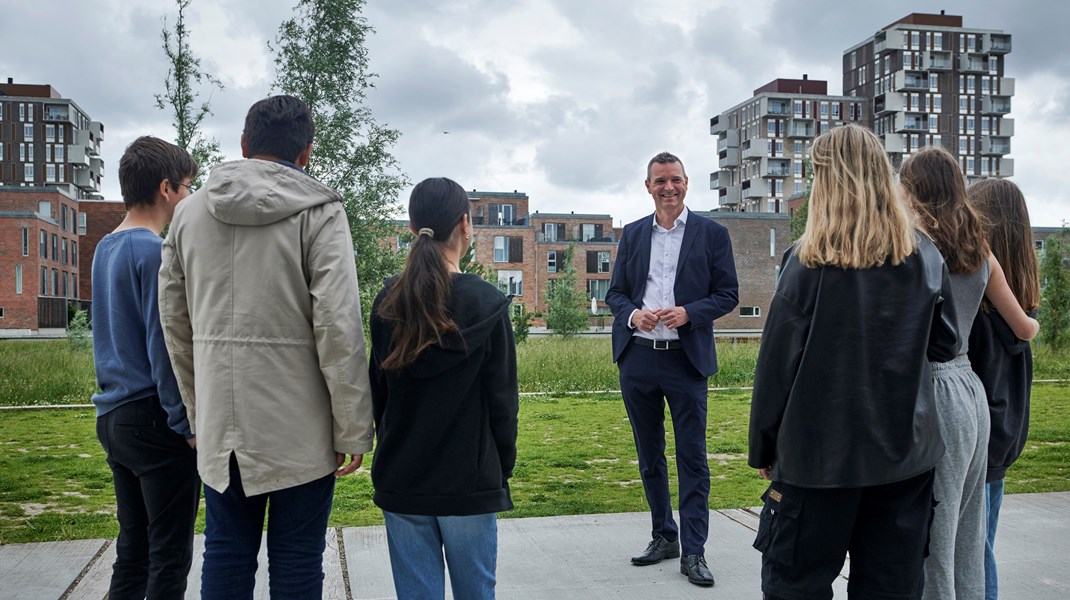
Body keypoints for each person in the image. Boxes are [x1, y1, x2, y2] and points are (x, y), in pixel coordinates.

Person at [158, 95, 373, 599]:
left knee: (227, 553)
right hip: (301, 431)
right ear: (306, 154)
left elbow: (175, 326)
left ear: (244, 144)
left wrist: (197, 413)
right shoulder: (319, 211)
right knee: (298, 560)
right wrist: (352, 427)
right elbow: (338, 325)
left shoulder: (187, 215)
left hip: (222, 429)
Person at [748, 124, 960, 600]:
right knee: (892, 588)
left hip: (815, 462)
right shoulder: (924, 256)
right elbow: (946, 346)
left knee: (795, 585)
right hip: (903, 456)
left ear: (826, 181)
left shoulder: (805, 262)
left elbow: (776, 367)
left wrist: (763, 447)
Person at [368, 177, 518, 599]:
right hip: (470, 479)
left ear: (414, 229)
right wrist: (500, 467)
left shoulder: (387, 303)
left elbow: (378, 392)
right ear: (465, 225)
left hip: (403, 475)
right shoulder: (488, 302)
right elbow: (503, 400)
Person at [899, 147, 1039, 600]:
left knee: (934, 536)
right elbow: (1025, 327)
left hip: (931, 390)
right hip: (970, 393)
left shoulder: (911, 250)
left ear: (914, 191)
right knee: (968, 535)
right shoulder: (981, 251)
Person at [606, 151, 739, 587]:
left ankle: (695, 551)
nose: (668, 187)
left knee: (693, 459)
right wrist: (632, 315)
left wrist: (689, 313)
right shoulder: (632, 234)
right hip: (638, 358)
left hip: (686, 360)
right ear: (648, 186)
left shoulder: (712, 234)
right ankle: (664, 536)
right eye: (660, 180)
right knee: (649, 458)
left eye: (675, 179)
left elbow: (727, 294)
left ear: (687, 183)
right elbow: (616, 294)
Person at [91, 135, 200, 599]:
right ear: (166, 188)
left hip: (113, 417)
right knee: (168, 556)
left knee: (132, 551)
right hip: (155, 420)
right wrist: (186, 422)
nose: (190, 197)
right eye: (189, 186)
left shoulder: (105, 247)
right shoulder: (153, 252)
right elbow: (165, 348)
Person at [967, 179, 1040, 600]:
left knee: (969, 554)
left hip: (978, 438)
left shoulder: (976, 301)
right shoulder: (1022, 307)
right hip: (1004, 438)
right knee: (982, 550)